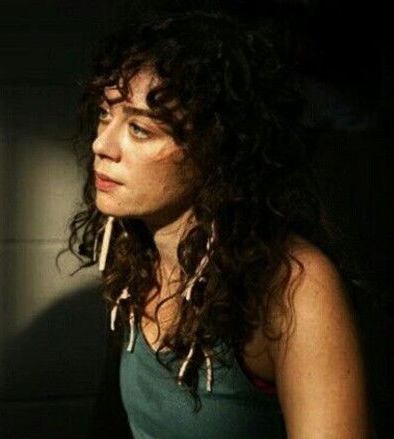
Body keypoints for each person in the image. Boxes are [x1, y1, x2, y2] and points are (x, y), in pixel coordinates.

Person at [69, 10, 369, 438]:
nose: (101, 144)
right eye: (104, 113)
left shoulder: (293, 285)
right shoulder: (133, 254)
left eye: (139, 128)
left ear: (214, 145)